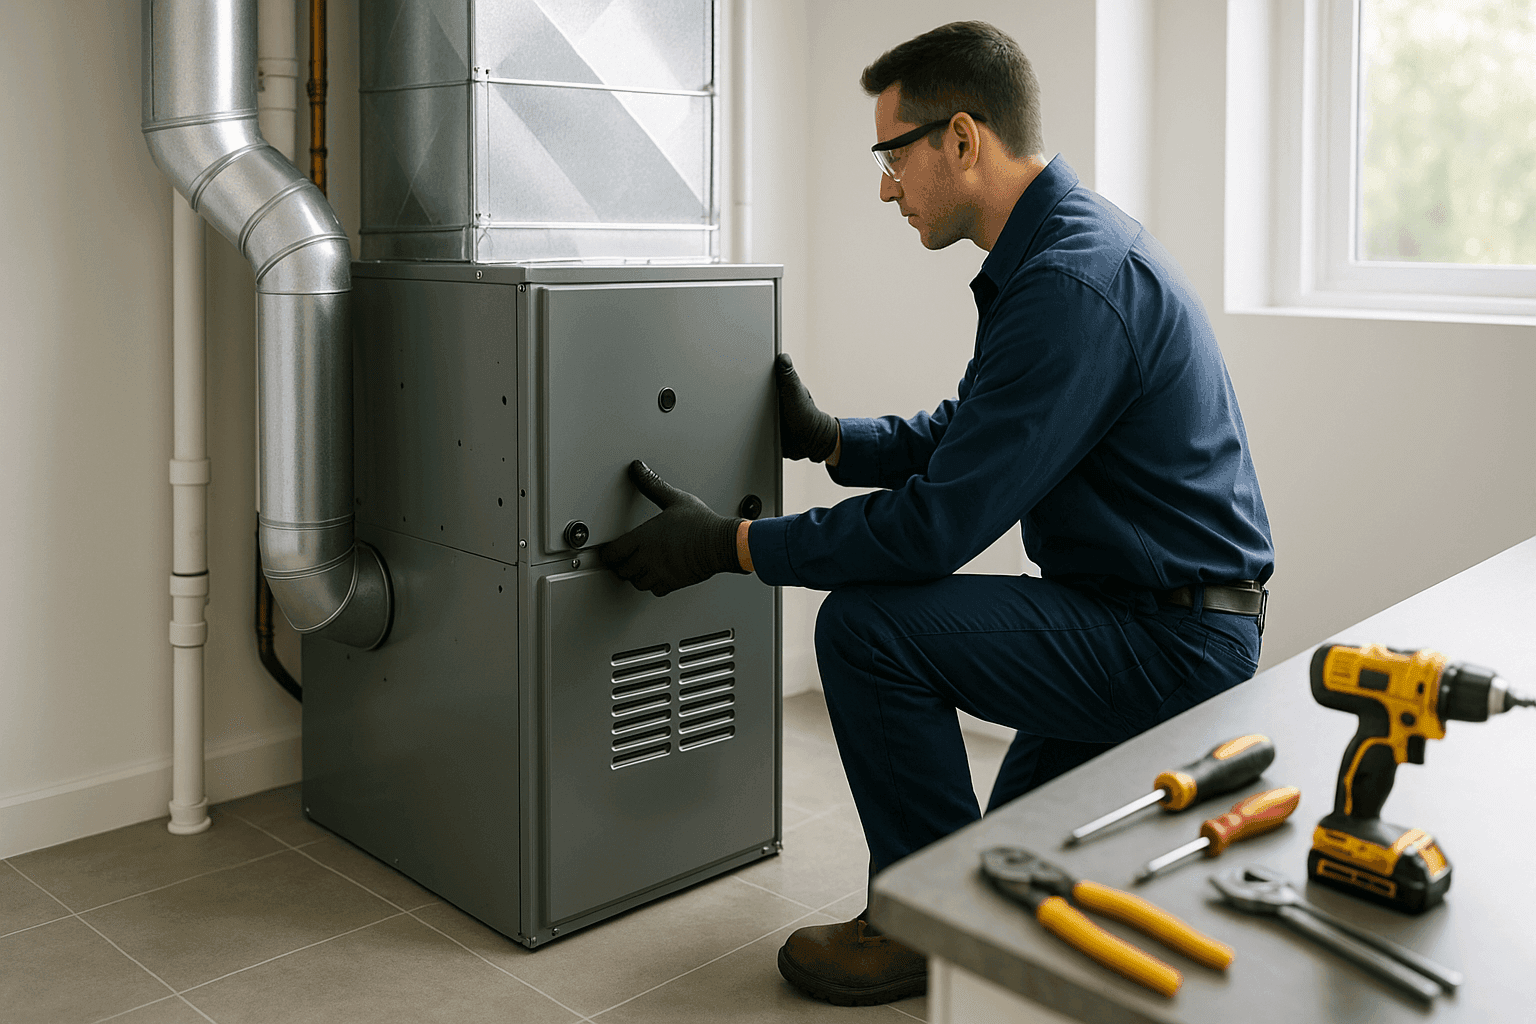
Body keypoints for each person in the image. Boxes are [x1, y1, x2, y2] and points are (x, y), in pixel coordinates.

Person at [599, 20, 1274, 1008]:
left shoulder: (1068, 282)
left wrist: (731, 545)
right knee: (1005, 865)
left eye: (892, 155)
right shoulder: (1068, 248)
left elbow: (935, 528)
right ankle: (973, 928)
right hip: (1146, 610)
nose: (885, 187)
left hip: (1167, 636)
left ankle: (920, 929)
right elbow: (982, 430)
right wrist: (836, 438)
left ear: (962, 138)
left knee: (870, 629)